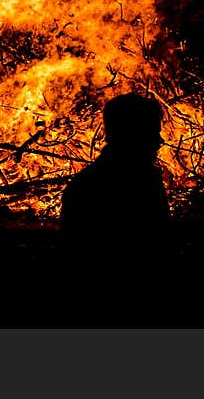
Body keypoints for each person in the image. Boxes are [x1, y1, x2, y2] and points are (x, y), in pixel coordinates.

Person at [58, 93, 169, 324]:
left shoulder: (84, 185)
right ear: (129, 135)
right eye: (151, 132)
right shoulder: (99, 188)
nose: (159, 141)